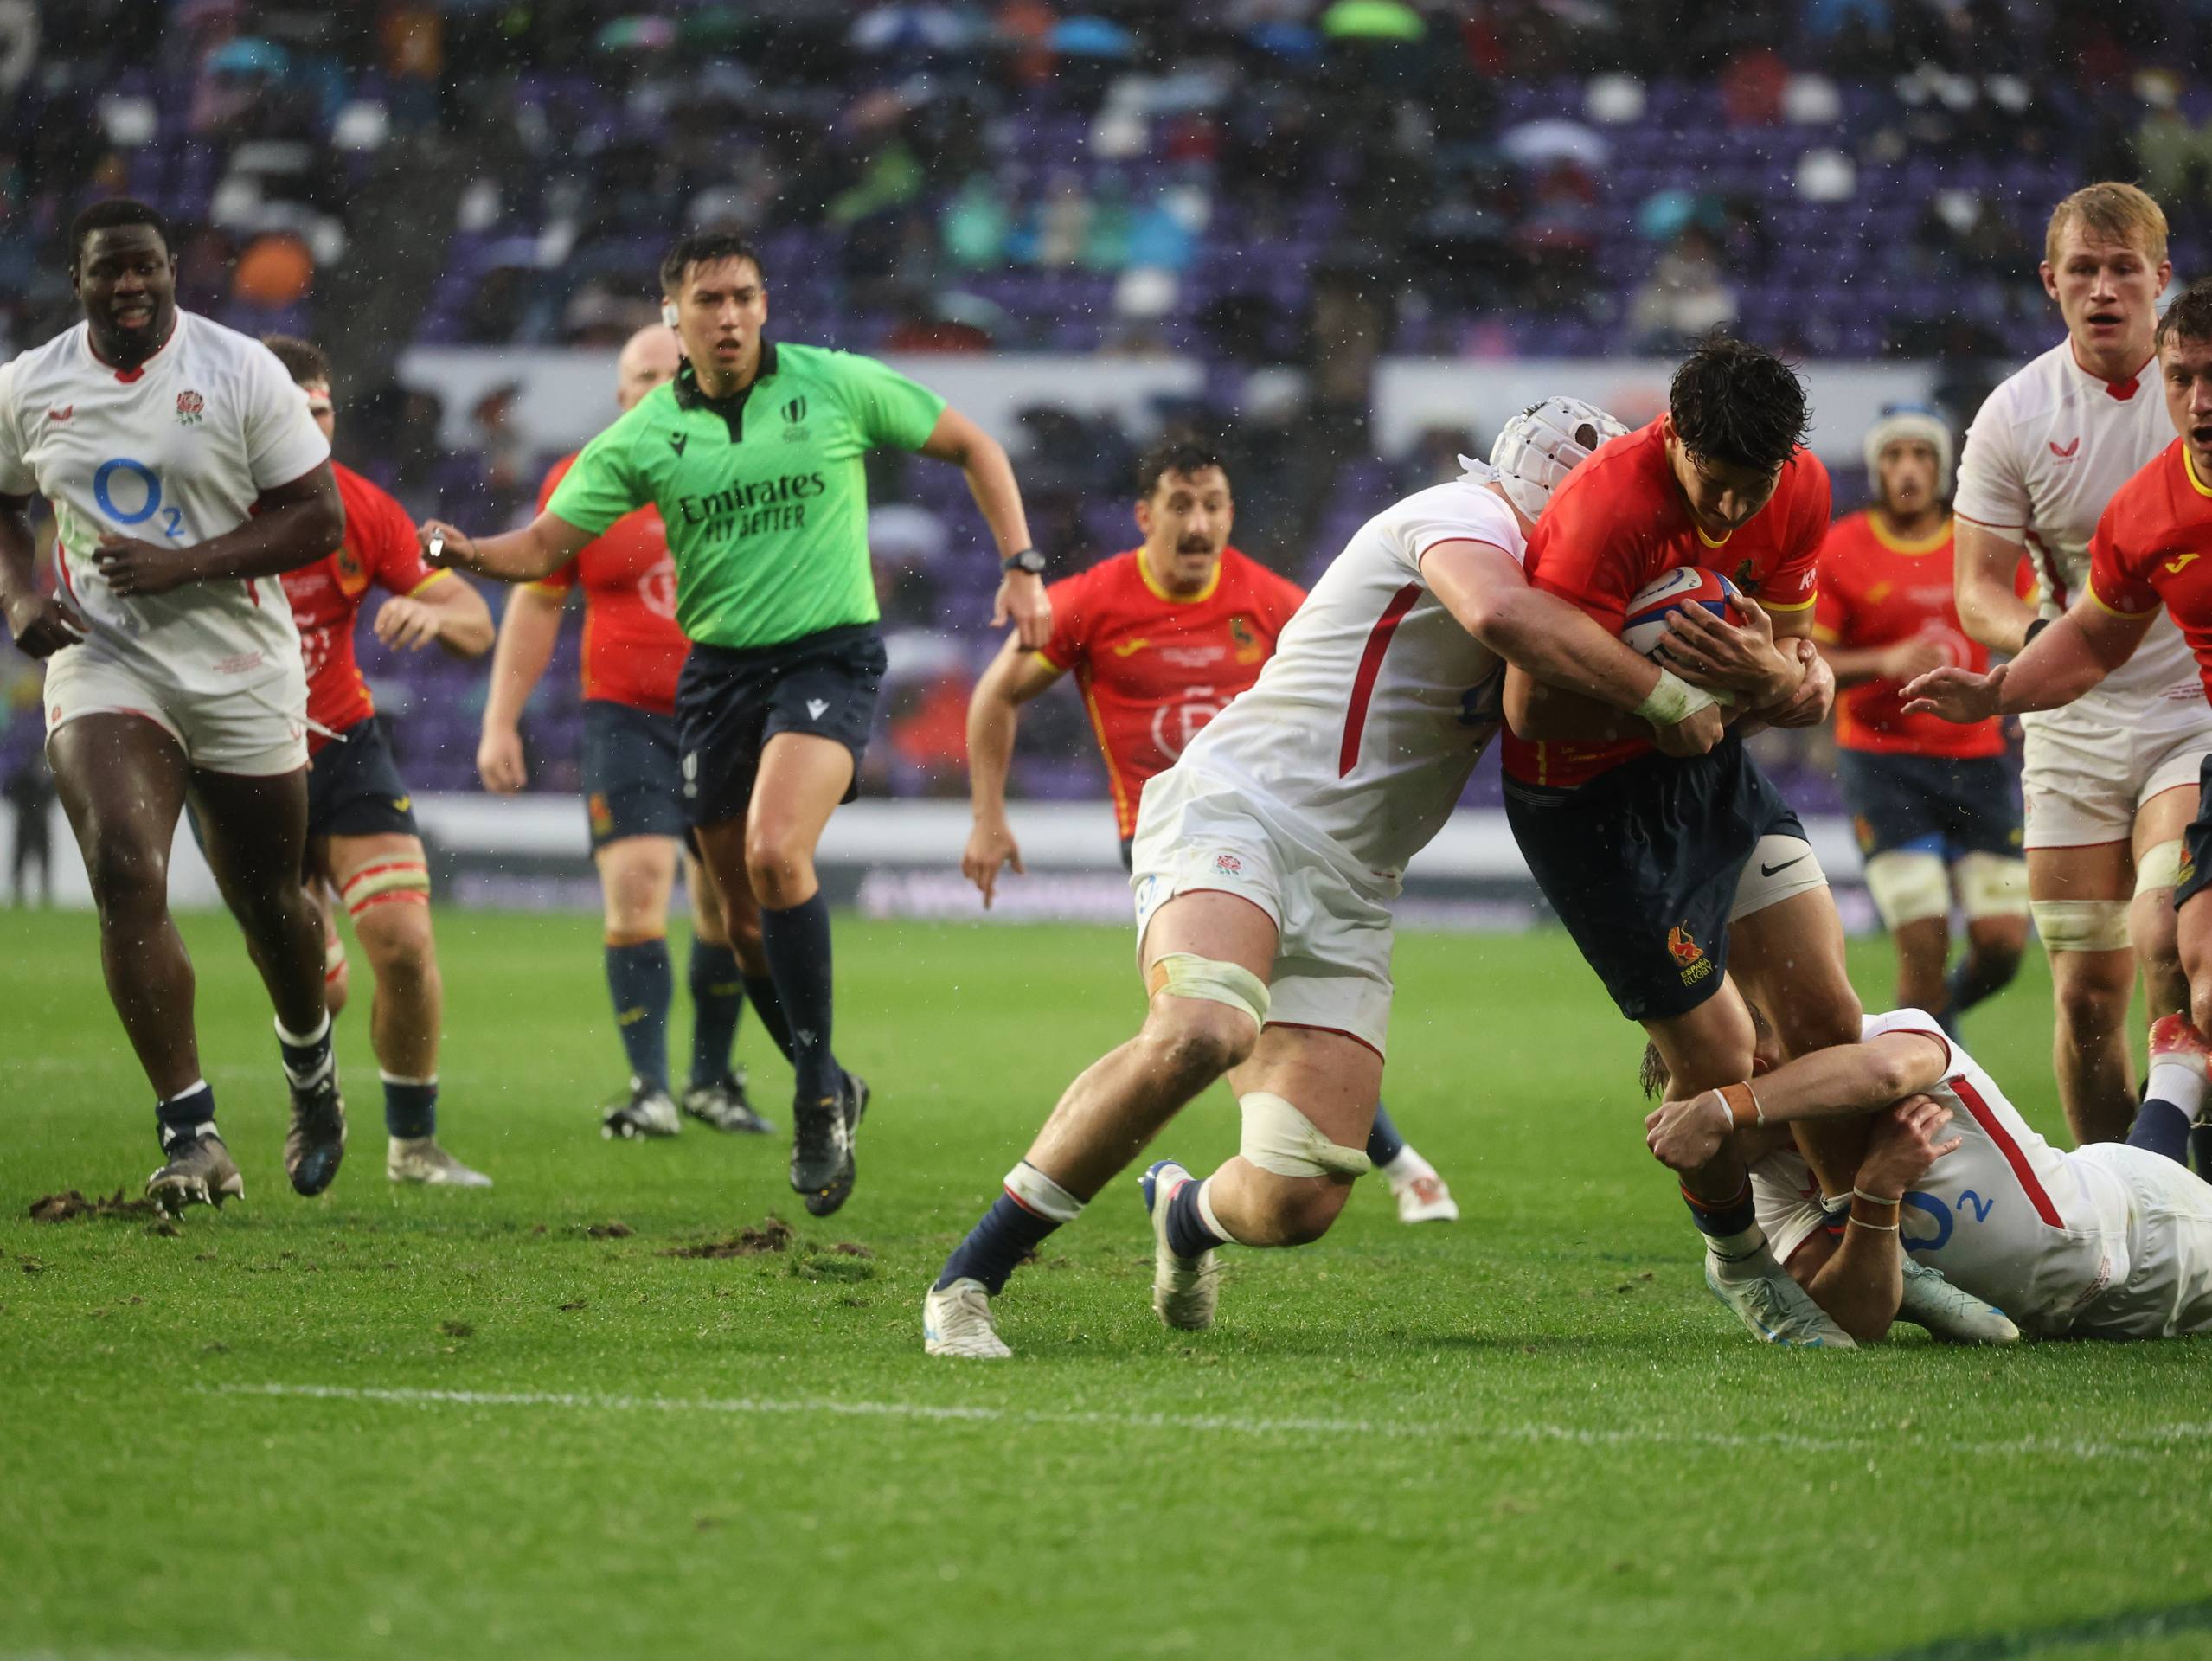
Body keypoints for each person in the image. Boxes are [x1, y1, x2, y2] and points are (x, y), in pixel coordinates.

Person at [922, 399, 1729, 1360]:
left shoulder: (1577, 598)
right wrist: (1663, 694)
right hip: (1241, 811)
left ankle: (1182, 1213)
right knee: (1202, 1028)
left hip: (1353, 882)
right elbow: (1496, 612)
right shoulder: (1460, 519)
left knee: (1300, 1195)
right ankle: (968, 1279)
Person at [419, 228, 1050, 1216]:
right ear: (673, 316)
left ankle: (809, 1099)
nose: (728, 316)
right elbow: (543, 548)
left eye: (744, 297)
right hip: (715, 678)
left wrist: (1020, 566)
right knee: (742, 924)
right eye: (707, 301)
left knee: (770, 855)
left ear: (765, 305)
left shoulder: (834, 386)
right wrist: (467, 551)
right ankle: (829, 1077)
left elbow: (974, 443)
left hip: (826, 658)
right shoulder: (636, 440)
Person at [961, 431, 1461, 1224]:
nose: (1198, 525)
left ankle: (1368, 1168)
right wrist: (988, 819)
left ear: (1231, 514)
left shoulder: (1269, 600)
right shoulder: (1092, 600)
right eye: (1180, 506)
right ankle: (1392, 1165)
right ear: (1143, 515)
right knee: (1228, 1024)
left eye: (1214, 505)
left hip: (1275, 831)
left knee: (1238, 1023)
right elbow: (995, 695)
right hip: (1170, 834)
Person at [1498, 339, 1868, 1349]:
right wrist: (1653, 698)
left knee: (1829, 1012)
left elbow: (1788, 671)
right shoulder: (1603, 512)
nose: (1732, 516)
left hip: (1706, 772)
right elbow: (1528, 708)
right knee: (1720, 1055)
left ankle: (1860, 1246)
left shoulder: (1800, 489)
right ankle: (1743, 1267)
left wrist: (1790, 679)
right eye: (1715, 486)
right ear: (1673, 435)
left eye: (1755, 491)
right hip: (1586, 806)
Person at [0, 198, 347, 1212]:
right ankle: (191, 1131)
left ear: (172, 269)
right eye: (110, 270)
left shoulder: (241, 372)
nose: (131, 285)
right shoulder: (28, 385)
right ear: (79, 279)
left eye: (147, 266)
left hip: (239, 666)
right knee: (121, 864)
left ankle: (310, 1069)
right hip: (107, 659)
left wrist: (186, 563)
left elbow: (315, 518)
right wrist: (21, 595)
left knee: (269, 901)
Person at [1911, 274, 2212, 1177]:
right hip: (2078, 737)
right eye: (2185, 379)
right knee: (2095, 990)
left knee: (2167, 938)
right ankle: (2135, 1218)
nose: (2201, 403)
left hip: (2185, 730)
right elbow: (2088, 637)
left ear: (2156, 278)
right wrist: (1994, 689)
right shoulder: (2139, 500)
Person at [476, 324, 774, 1142]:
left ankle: (711, 1079)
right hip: (624, 716)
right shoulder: (584, 479)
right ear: (619, 394)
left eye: (670, 371)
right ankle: (648, 1088)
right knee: (639, 884)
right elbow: (536, 598)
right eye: (640, 374)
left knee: (726, 903)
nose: (654, 384)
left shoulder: (746, 469)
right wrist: (501, 720)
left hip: (727, 714)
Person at [264, 335, 495, 1187]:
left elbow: (476, 620)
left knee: (401, 940)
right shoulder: (205, 505)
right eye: (294, 411)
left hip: (343, 743)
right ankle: (313, 1098)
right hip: (242, 761)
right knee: (317, 989)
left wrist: (437, 620)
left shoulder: (361, 508)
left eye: (322, 410)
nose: (313, 426)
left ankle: (413, 1145)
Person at [1644, 1004, 2212, 1341]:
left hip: (2150, 1236)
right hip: (2074, 1314)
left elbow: (1885, 1075)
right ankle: (2175, 1082)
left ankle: (2174, 1084)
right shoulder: (1765, 1180)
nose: (1701, 1156)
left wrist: (1720, 1111)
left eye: (1703, 1134)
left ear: (1756, 1070)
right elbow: (1858, 1316)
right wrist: (1874, 1194)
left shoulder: (1881, 1036)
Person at [1815, 405, 2029, 1037]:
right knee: (1922, 941)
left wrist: (2026, 693)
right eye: (1892, 455)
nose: (1906, 469)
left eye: (1920, 455)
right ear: (1875, 467)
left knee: (2001, 945)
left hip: (1978, 761)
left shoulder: (1979, 542)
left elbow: (2032, 632)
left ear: (1942, 467)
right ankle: (1928, 1092)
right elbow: (1810, 663)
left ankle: (1932, 1027)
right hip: (1883, 766)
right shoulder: (1842, 547)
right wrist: (1884, 659)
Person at [4, 743, 53, 904]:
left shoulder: (44, 782)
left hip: (37, 824)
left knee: (42, 860)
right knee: (20, 860)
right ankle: (18, 893)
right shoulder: (25, 779)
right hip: (27, 824)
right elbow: (8, 791)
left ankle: (44, 893)